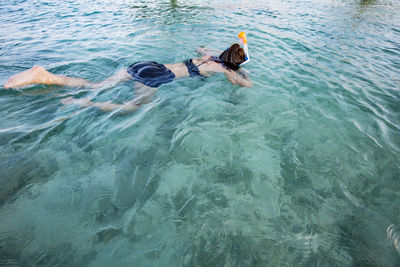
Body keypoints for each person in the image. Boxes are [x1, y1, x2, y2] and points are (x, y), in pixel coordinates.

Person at [4, 44, 252, 112]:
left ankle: (45, 76)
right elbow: (246, 84)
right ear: (234, 63)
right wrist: (243, 70)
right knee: (133, 108)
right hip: (158, 76)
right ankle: (81, 103)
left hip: (147, 64)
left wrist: (228, 51)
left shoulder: (209, 55)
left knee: (97, 85)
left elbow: (200, 47)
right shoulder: (227, 70)